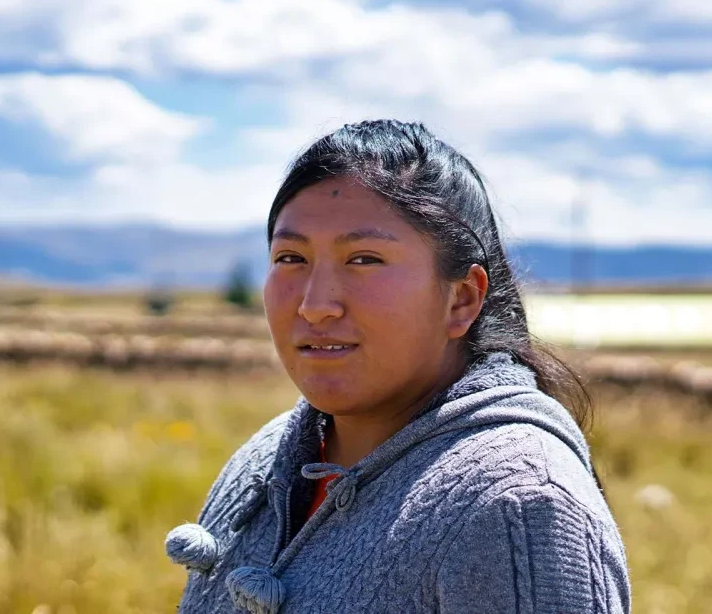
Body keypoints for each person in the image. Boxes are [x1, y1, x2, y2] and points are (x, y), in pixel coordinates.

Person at [165, 120, 632, 613]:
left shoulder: (518, 506)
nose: (315, 305)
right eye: (290, 257)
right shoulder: (263, 465)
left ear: (461, 298)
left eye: (364, 259)